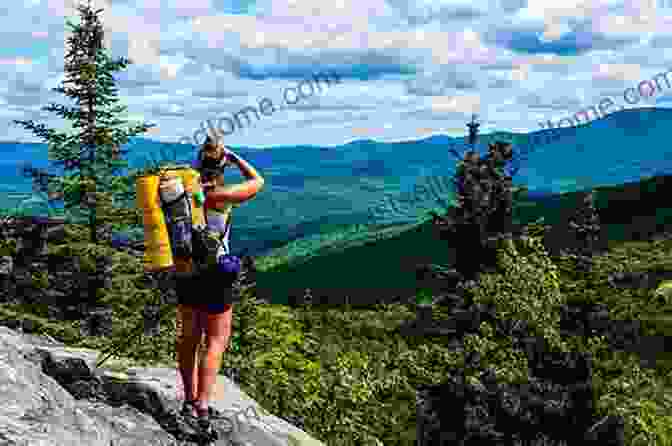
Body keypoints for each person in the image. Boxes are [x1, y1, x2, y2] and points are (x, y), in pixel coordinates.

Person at [175, 132, 265, 437]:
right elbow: (257, 181)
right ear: (221, 167)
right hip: (216, 273)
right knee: (215, 341)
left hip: (186, 270)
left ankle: (188, 399)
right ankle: (202, 405)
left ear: (198, 165)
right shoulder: (220, 196)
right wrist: (237, 159)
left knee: (189, 337)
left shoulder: (185, 194)